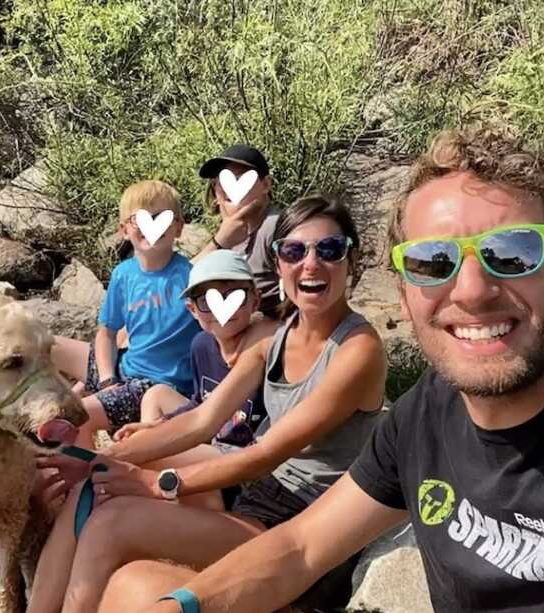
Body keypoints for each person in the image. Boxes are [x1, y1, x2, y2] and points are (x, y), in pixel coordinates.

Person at [104, 124, 544, 613]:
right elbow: (301, 546)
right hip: (271, 511)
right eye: (433, 262)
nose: (473, 290)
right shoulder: (425, 414)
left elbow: (267, 459)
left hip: (276, 508)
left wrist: (158, 480)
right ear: (404, 293)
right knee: (136, 589)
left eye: (513, 251)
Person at [27, 195, 387, 613]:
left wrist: (155, 483)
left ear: (350, 258)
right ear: (278, 262)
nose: (311, 263)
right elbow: (200, 420)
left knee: (112, 524)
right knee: (98, 494)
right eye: (294, 250)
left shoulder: (358, 350)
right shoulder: (278, 339)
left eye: (329, 249)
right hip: (256, 504)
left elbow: (267, 453)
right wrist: (102, 459)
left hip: (303, 529)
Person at [50, 180, 201, 450]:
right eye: (139, 219)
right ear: (123, 230)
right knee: (46, 346)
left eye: (161, 218)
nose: (150, 226)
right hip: (122, 369)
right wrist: (107, 380)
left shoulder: (190, 278)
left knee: (79, 416)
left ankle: (88, 481)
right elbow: (106, 333)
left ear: (178, 228)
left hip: (154, 385)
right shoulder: (124, 274)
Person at [117, 249, 278, 447]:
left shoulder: (264, 349)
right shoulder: (201, 345)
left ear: (255, 301)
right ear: (192, 310)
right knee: (156, 394)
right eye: (206, 301)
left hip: (243, 451)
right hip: (209, 434)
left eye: (235, 296)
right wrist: (158, 426)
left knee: (149, 455)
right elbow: (200, 402)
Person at [194, 144, 282, 319]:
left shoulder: (276, 227)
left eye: (241, 179)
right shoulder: (228, 232)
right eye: (222, 181)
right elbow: (180, 284)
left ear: (266, 185)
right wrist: (220, 242)